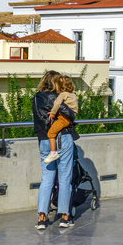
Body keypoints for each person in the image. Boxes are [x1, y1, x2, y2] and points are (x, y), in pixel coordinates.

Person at [32, 70, 77, 230]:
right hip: (62, 139)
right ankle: (64, 216)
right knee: (64, 178)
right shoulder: (57, 97)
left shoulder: (36, 98)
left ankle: (42, 218)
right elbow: (70, 114)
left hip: (44, 141)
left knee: (46, 179)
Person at [43, 75, 78, 164]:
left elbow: (57, 103)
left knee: (51, 133)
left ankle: (53, 153)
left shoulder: (63, 94)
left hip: (63, 118)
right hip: (69, 118)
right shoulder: (73, 95)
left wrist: (53, 113)